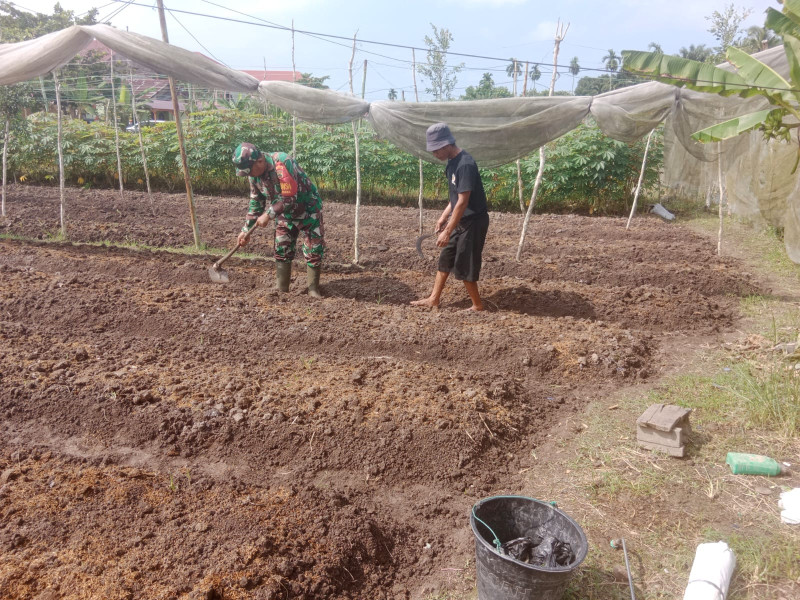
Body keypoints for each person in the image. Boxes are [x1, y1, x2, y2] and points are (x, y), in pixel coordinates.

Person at [411, 123, 490, 311]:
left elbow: (463, 201)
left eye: (436, 150)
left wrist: (447, 232)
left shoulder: (465, 164)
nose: (434, 154)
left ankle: (477, 305)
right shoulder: (452, 162)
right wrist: (443, 217)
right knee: (446, 258)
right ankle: (433, 299)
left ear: (447, 145)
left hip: (473, 222)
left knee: (465, 262)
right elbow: (455, 197)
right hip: (460, 219)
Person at [232, 142, 325, 298]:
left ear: (260, 161)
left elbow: (289, 198)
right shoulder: (254, 176)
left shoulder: (282, 162)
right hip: (283, 213)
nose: (249, 175)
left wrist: (268, 215)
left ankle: (313, 290)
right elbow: (256, 203)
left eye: (249, 171)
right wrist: (245, 230)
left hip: (308, 209)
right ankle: (282, 290)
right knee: (282, 247)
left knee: (313, 248)